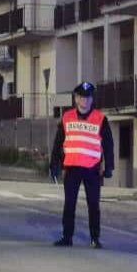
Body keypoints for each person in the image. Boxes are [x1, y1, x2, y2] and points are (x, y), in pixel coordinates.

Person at [50, 82, 114, 248]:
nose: (85, 101)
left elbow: (108, 145)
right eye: (82, 97)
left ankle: (94, 238)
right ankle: (67, 237)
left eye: (88, 97)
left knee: (94, 205)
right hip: (71, 168)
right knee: (69, 204)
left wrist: (109, 167)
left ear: (92, 100)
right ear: (76, 98)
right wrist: (54, 165)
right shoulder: (67, 117)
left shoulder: (100, 119)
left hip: (92, 169)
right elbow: (58, 143)